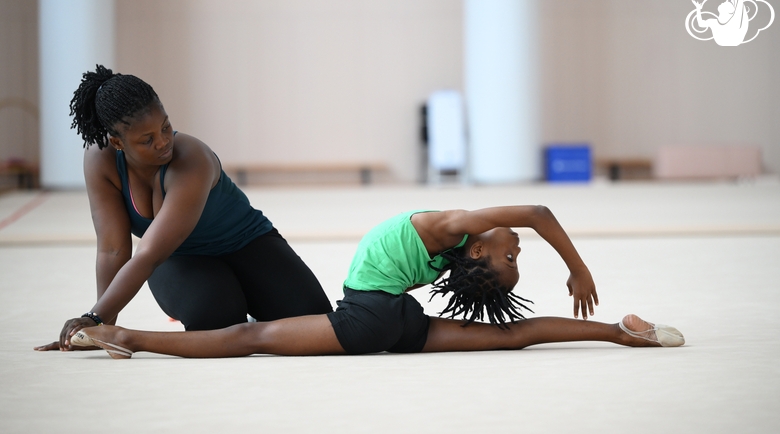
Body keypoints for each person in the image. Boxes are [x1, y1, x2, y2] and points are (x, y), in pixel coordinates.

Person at [71, 206, 684, 359]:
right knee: (510, 337)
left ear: (478, 249)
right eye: (516, 252)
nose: (515, 244)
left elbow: (540, 216)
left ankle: (130, 334)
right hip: (398, 322)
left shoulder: (459, 226)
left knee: (247, 337)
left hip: (367, 317)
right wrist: (595, 307)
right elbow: (537, 227)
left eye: (511, 256)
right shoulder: (457, 244)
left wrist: (577, 266)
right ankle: (621, 333)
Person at [35, 65, 332, 352]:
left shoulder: (192, 158)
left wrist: (95, 319)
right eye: (147, 139)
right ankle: (219, 299)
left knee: (312, 319)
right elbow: (113, 250)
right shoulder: (101, 161)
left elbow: (147, 251)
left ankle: (252, 299)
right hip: (176, 258)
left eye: (166, 126)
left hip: (247, 243)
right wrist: (99, 325)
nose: (163, 142)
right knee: (217, 320)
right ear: (117, 142)